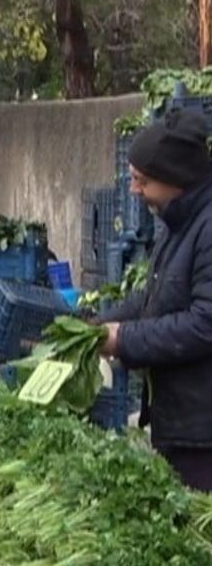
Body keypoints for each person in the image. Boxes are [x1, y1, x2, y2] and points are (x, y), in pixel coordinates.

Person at [101, 110, 212, 491]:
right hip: (179, 424)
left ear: (174, 180)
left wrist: (124, 339)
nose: (134, 190)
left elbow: (203, 324)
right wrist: (97, 327)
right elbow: (155, 299)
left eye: (141, 181)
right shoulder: (178, 222)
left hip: (203, 436)